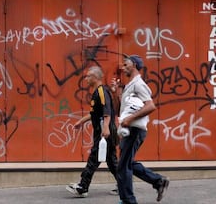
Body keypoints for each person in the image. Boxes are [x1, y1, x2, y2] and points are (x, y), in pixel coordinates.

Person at [111, 54, 170, 204]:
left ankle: (128, 200)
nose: (123, 68)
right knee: (127, 163)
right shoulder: (130, 85)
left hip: (135, 130)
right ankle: (158, 181)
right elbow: (120, 111)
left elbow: (150, 106)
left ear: (135, 66)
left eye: (126, 65)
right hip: (129, 130)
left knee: (123, 167)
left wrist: (130, 119)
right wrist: (117, 94)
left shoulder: (139, 84)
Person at [66, 66, 119, 198]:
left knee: (94, 158)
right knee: (112, 161)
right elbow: (94, 113)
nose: (86, 79)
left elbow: (107, 111)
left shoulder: (101, 92)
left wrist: (105, 128)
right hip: (105, 130)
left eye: (88, 76)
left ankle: (83, 186)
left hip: (104, 131)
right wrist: (81, 121)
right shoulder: (99, 92)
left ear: (95, 78)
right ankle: (124, 184)